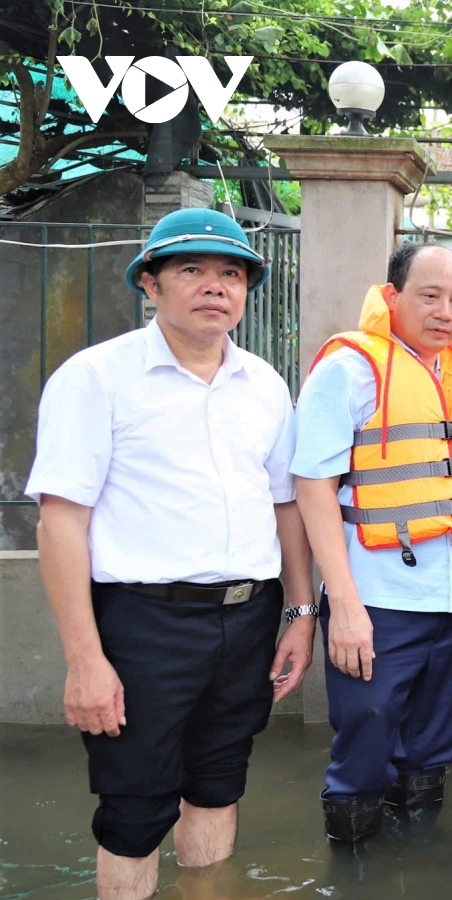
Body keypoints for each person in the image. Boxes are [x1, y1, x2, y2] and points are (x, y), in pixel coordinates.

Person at [28, 208, 315, 899]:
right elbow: (60, 522)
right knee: (134, 804)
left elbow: (285, 507)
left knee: (219, 781)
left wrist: (301, 613)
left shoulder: (265, 386)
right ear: (150, 285)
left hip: (249, 616)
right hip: (141, 622)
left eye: (230, 274)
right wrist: (85, 661)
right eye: (192, 270)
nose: (215, 286)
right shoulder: (96, 378)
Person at [293, 242, 452, 842]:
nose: (445, 311)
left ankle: (421, 860)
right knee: (365, 738)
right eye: (429, 296)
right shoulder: (348, 368)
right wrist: (345, 607)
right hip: (379, 598)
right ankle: (355, 864)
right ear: (392, 297)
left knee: (435, 749)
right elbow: (313, 488)